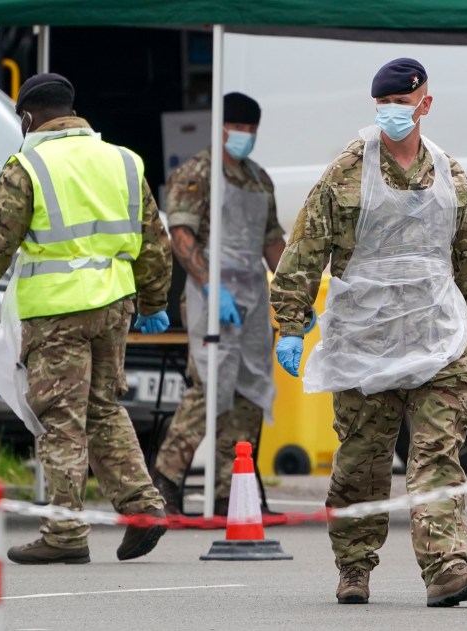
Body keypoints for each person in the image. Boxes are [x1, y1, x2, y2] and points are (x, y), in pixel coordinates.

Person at [270, 58, 467, 607]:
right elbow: (303, 253)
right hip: (367, 341)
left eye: (403, 103)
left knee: (438, 454)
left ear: (426, 103)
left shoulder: (450, 174)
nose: (394, 113)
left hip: (437, 337)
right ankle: (354, 567)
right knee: (362, 463)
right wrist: (292, 325)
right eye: (385, 106)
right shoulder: (346, 172)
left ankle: (447, 568)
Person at [0, 73, 174, 564]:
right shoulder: (124, 161)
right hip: (113, 306)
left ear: (27, 118)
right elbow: (154, 242)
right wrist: (154, 302)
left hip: (56, 312)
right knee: (104, 408)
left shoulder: (28, 166)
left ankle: (65, 534)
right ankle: (143, 507)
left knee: (61, 418)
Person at [150, 93, 296, 516]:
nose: (244, 137)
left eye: (251, 131)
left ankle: (236, 491)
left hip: (251, 295)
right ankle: (165, 479)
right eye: (239, 128)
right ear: (222, 127)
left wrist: (293, 285)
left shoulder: (258, 179)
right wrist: (210, 287)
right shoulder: (197, 174)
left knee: (250, 391)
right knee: (210, 388)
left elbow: (272, 241)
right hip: (209, 294)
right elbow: (182, 237)